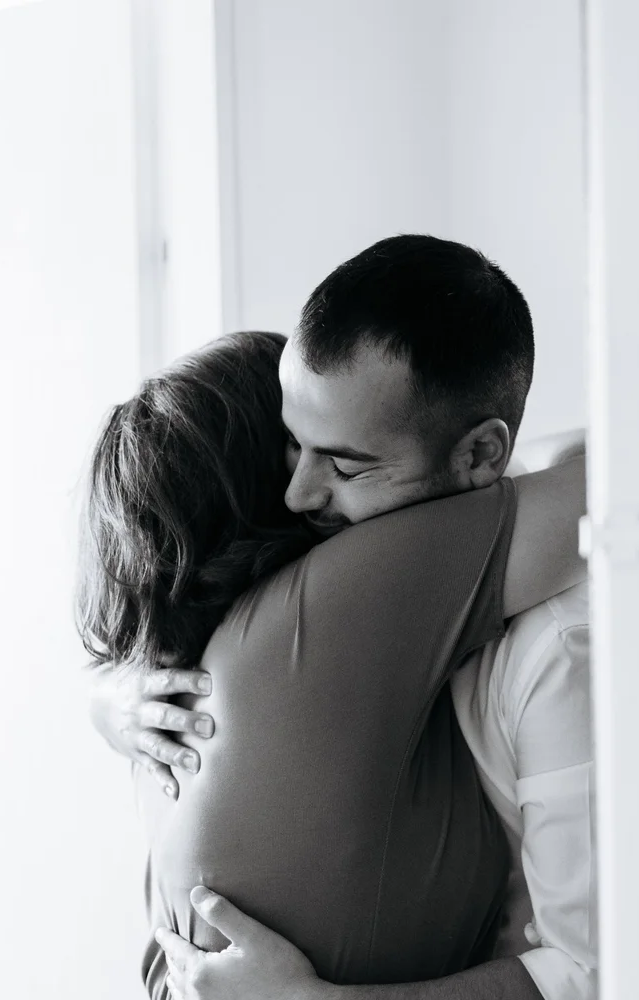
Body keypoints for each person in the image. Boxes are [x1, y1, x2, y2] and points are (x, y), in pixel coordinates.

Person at [93, 235, 597, 1000]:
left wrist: (104, 698)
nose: (300, 492)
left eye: (344, 461)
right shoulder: (328, 610)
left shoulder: (205, 671)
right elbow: (626, 477)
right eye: (291, 448)